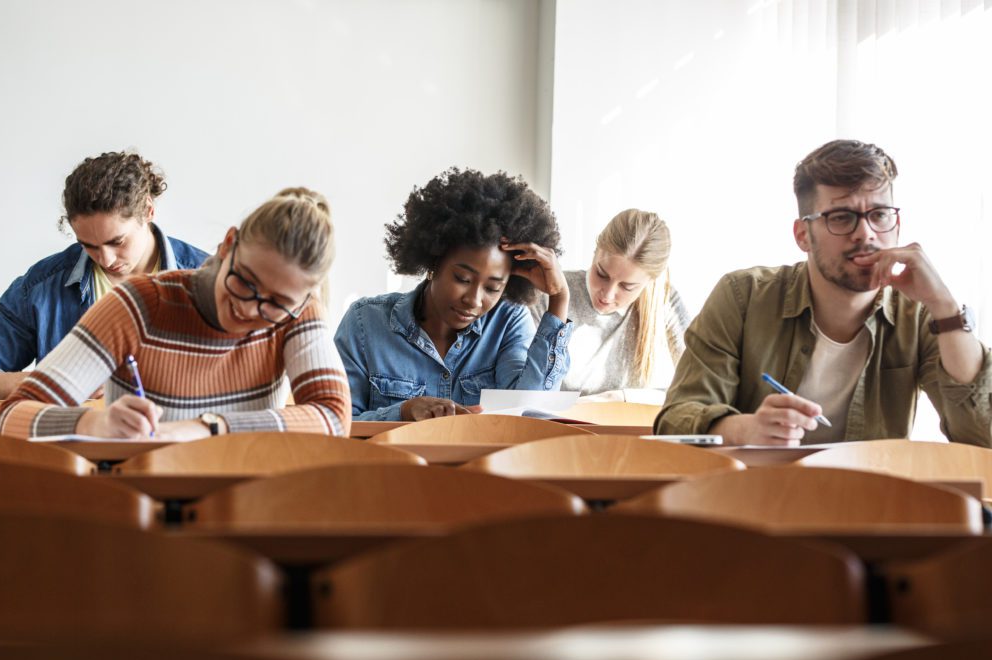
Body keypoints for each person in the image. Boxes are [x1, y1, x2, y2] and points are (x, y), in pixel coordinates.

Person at [655, 139, 992, 447]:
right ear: (803, 234)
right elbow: (674, 421)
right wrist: (745, 429)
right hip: (756, 499)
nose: (866, 233)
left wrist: (946, 308)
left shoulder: (919, 315)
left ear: (897, 225)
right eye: (842, 217)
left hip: (869, 505)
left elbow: (981, 437)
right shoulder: (743, 297)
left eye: (879, 215)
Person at [0, 188, 351, 440]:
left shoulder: (298, 313)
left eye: (275, 303)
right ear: (228, 244)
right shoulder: (138, 304)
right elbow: (12, 415)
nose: (248, 308)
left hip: (244, 512)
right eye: (245, 282)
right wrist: (92, 424)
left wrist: (209, 427)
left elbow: (334, 418)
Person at [334, 167, 573, 421]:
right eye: (462, 279)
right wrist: (402, 412)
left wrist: (559, 298)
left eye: (492, 288)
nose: (474, 299)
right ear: (434, 262)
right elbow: (338, 426)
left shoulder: (507, 321)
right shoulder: (365, 323)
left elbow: (530, 416)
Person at [0, 152, 208, 400]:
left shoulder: (208, 279)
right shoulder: (42, 287)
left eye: (117, 242)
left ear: (148, 211)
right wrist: (48, 381)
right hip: (74, 437)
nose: (106, 260)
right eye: (88, 245)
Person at [529, 209, 690, 398]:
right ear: (595, 251)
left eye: (627, 286)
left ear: (649, 281)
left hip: (629, 425)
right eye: (602, 274)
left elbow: (697, 387)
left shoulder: (664, 302)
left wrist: (621, 398)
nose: (607, 294)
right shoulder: (548, 293)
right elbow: (525, 389)